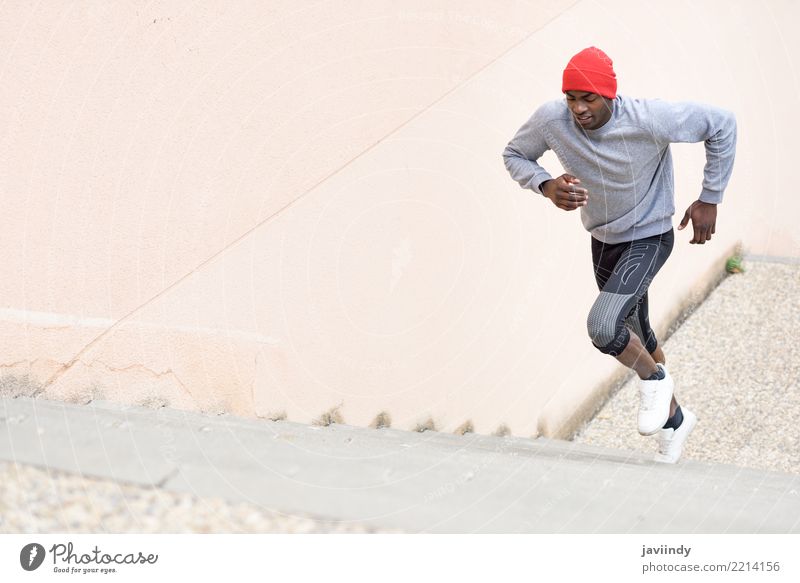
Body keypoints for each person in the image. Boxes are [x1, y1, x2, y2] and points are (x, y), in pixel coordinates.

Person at [502, 46, 737, 463]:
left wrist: (710, 197)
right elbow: (515, 154)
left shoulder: (649, 117)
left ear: (610, 95)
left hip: (648, 237)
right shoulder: (551, 120)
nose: (578, 108)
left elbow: (722, 124)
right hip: (604, 240)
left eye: (588, 98)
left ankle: (654, 381)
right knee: (638, 336)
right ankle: (676, 420)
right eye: (571, 97)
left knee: (603, 325)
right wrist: (546, 185)